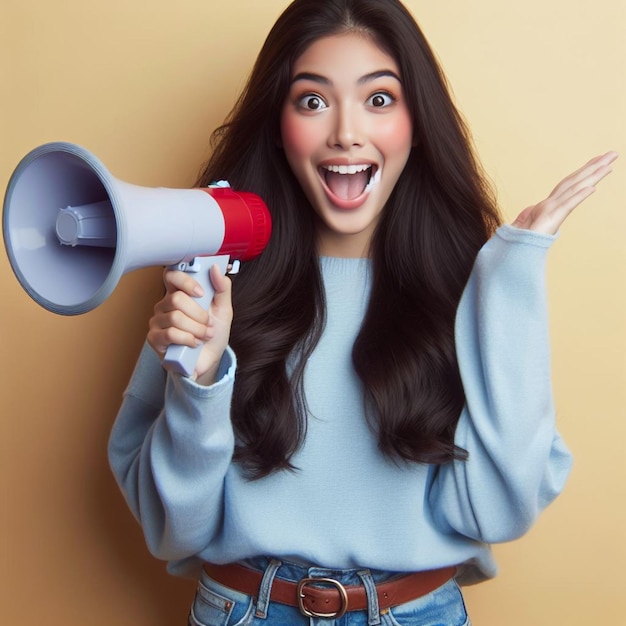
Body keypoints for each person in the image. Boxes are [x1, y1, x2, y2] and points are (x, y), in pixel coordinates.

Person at [108, 0, 617, 624]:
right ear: (277, 124)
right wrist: (201, 384)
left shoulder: (464, 285)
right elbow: (172, 529)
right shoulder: (212, 278)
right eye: (312, 100)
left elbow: (499, 511)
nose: (346, 132)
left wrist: (510, 278)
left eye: (379, 99)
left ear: (416, 121)